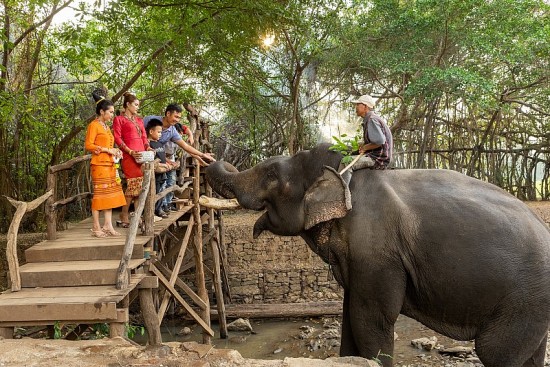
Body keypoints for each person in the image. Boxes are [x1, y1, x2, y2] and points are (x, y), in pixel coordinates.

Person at [85, 92, 127, 237]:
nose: (111, 114)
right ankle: (96, 227)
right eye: (110, 112)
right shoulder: (94, 125)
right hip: (99, 164)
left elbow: (110, 145)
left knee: (109, 195)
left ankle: (107, 225)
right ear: (102, 111)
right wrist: (106, 149)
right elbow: (89, 145)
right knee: (99, 195)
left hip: (109, 164)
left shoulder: (107, 128)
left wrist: (116, 151)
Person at [112, 92, 150, 227]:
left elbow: (144, 137)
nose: (137, 108)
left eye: (138, 105)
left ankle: (136, 216)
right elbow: (117, 138)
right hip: (129, 156)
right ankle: (124, 214)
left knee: (139, 188)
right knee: (132, 186)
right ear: (127, 104)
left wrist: (148, 147)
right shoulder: (119, 119)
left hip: (141, 155)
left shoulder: (139, 120)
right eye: (135, 105)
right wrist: (129, 151)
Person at [340, 94, 393, 183]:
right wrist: (363, 144)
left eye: (358, 104)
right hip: (376, 155)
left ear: (365, 106)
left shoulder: (371, 119)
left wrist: (365, 147)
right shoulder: (371, 118)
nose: (356, 107)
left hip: (378, 158)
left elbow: (380, 141)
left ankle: (341, 192)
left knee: (346, 162)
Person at [143, 103, 214, 165]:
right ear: (168, 114)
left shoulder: (172, 131)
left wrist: (202, 154)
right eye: (176, 117)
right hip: (142, 155)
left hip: (157, 160)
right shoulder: (149, 120)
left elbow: (185, 146)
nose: (177, 120)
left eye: (179, 118)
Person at [146, 118, 172, 219]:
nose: (160, 134)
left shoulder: (160, 143)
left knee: (161, 190)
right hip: (154, 173)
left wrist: (168, 163)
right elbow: (151, 159)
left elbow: (163, 157)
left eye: (161, 132)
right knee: (154, 191)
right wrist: (162, 165)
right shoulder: (148, 144)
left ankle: (159, 208)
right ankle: (155, 210)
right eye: (159, 132)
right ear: (151, 131)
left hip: (163, 172)